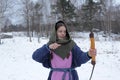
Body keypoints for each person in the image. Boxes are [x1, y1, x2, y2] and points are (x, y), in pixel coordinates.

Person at [32, 20, 97, 80]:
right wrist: (47, 48)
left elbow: (80, 58)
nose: (63, 33)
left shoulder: (71, 45)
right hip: (55, 77)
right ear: (55, 32)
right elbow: (35, 56)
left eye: (64, 31)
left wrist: (88, 54)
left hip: (70, 77)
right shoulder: (50, 45)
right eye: (60, 31)